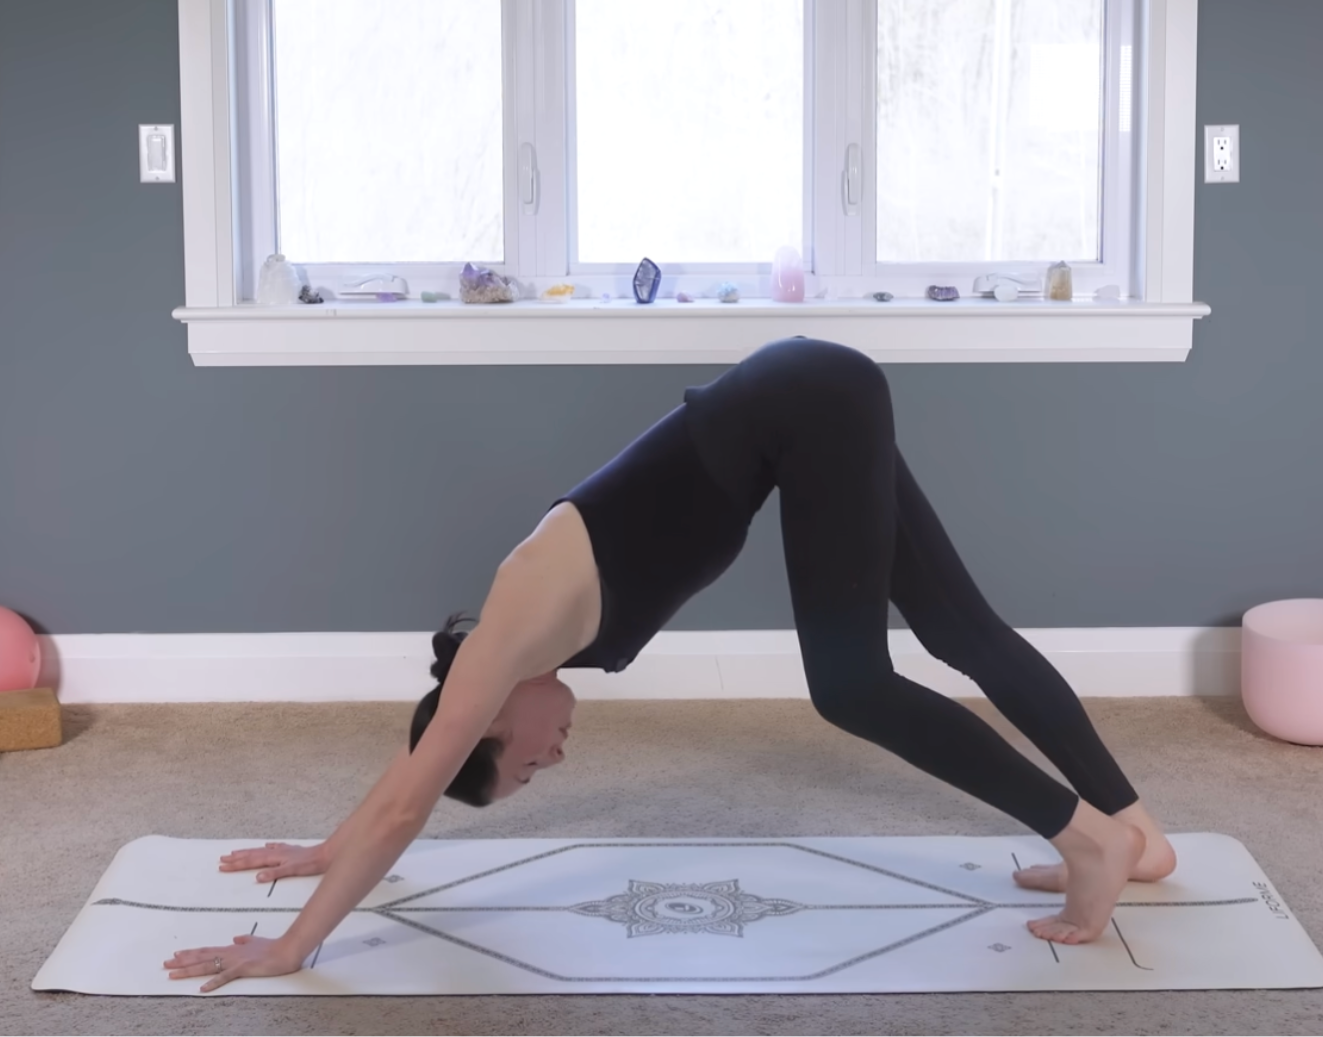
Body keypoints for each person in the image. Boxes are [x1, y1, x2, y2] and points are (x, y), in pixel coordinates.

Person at [163, 336, 1176, 992]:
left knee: (850, 683)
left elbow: (407, 803)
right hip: (811, 397)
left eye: (521, 766)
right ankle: (1136, 831)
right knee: (958, 628)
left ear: (490, 721)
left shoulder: (508, 629)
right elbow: (409, 772)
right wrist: (320, 850)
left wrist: (294, 947)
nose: (549, 763)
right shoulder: (504, 659)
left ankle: (1085, 840)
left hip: (809, 400)